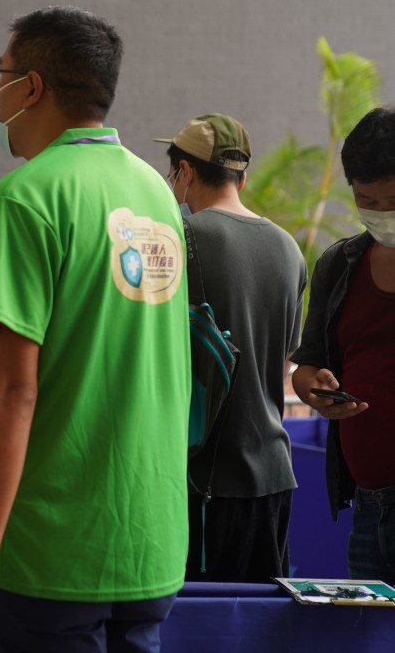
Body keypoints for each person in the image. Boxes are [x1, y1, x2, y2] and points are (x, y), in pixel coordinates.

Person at [0, 6, 190, 653]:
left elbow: (12, 392)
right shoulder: (154, 194)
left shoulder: (24, 199)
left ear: (31, 87)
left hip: (55, 551)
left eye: (2, 74)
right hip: (152, 540)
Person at [156, 114, 306, 582]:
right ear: (243, 175)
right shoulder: (290, 250)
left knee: (198, 625)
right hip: (274, 475)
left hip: (204, 478)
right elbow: (281, 358)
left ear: (183, 172)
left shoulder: (180, 240)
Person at [292, 106, 395, 585]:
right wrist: (316, 388)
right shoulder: (340, 265)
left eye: (394, 199)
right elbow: (307, 365)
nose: (382, 214)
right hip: (369, 506)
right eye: (367, 200)